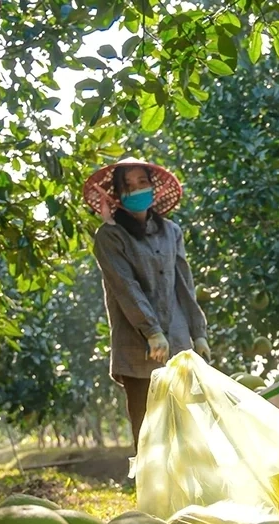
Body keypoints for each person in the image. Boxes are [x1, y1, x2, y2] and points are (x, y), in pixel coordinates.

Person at [83, 158, 211, 454]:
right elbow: (125, 287)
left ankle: (188, 484)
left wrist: (199, 332)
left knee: (187, 431)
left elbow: (184, 283)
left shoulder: (171, 232)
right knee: (148, 434)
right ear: (118, 194)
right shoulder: (110, 236)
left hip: (178, 343)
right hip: (136, 348)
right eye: (128, 186)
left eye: (142, 182)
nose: (137, 189)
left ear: (153, 188)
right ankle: (150, 483)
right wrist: (152, 331)